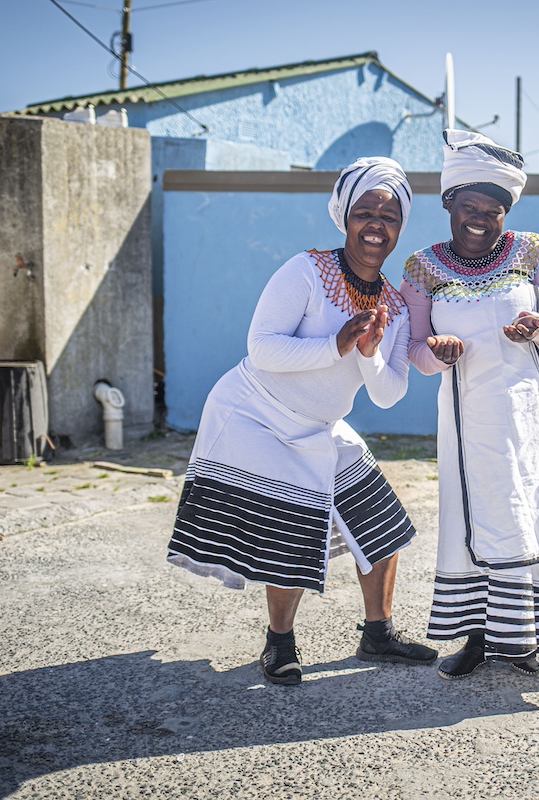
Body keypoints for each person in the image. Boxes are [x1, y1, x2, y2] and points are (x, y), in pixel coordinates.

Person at [167, 156, 437, 686]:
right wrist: (337, 343)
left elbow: (388, 393)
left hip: (320, 424)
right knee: (291, 526)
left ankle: (377, 635)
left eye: (390, 216)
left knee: (379, 520)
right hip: (255, 416)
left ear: (401, 227)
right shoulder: (306, 270)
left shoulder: (396, 306)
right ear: (344, 217)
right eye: (365, 212)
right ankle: (279, 643)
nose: (377, 225)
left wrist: (366, 351)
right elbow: (261, 348)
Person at [400, 130, 539, 680]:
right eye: (469, 206)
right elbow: (413, 350)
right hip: (470, 414)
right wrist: (438, 353)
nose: (480, 217)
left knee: (533, 510)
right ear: (449, 204)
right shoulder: (422, 268)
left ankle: (524, 638)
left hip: (538, 412)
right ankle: (479, 637)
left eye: (493, 210)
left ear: (506, 213)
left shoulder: (533, 250)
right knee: (480, 516)